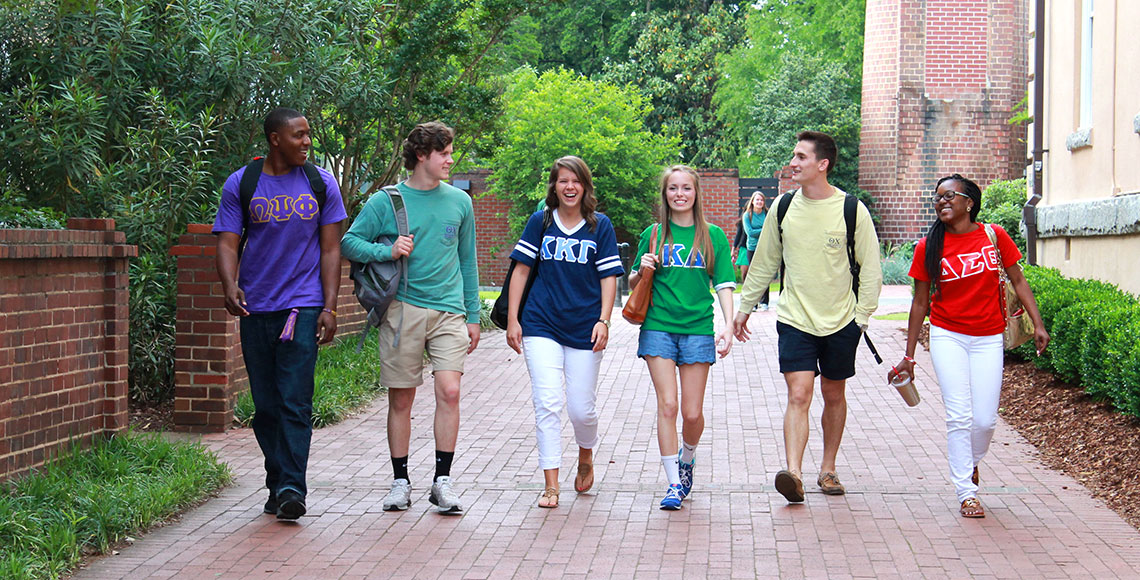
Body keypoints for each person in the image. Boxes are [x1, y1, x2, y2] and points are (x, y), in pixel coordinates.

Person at [733, 131, 882, 503]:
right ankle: (794, 474)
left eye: (801, 157)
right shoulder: (783, 208)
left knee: (833, 393)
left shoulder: (852, 210)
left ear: (822, 164)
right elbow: (764, 261)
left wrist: (861, 318)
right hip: (795, 318)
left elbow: (871, 268)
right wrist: (745, 307)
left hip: (841, 320)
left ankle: (828, 468)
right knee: (799, 393)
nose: (793, 163)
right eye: (794, 156)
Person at [213, 107, 347, 520]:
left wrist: (329, 306)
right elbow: (228, 242)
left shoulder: (321, 183)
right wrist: (229, 284)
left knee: (295, 400)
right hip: (256, 308)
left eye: (308, 134)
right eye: (298, 135)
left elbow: (331, 249)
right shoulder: (242, 183)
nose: (306, 142)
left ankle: (291, 487)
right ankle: (277, 482)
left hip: (302, 306)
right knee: (266, 406)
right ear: (275, 139)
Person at [341, 121, 481, 515]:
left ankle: (442, 481)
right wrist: (386, 252)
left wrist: (473, 315)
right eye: (444, 153)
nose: (450, 160)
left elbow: (467, 261)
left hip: (449, 310)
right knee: (401, 397)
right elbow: (349, 241)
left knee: (450, 391)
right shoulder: (386, 201)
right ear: (421, 155)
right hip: (403, 309)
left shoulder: (460, 202)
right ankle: (400, 481)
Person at [892, 174, 1049, 518]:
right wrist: (909, 356)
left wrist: (1038, 324)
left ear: (969, 203)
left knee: (986, 421)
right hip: (948, 335)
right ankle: (967, 492)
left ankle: (971, 461)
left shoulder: (994, 236)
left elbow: (1018, 279)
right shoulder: (927, 247)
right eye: (937, 197)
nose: (942, 202)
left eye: (949, 196)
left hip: (989, 337)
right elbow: (920, 302)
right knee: (960, 416)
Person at [505, 156, 624, 508]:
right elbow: (521, 271)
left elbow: (608, 277)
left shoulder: (599, 226)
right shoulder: (540, 222)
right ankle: (551, 485)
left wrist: (604, 320)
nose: (569, 187)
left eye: (576, 181)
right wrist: (513, 319)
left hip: (585, 327)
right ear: (554, 187)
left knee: (581, 410)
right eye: (563, 181)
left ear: (585, 186)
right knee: (547, 402)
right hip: (541, 322)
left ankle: (585, 452)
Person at [629, 165, 736, 510]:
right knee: (668, 406)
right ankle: (674, 483)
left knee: (691, 414)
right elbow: (632, 283)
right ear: (665, 194)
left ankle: (687, 457)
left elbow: (724, 284)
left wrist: (728, 325)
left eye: (686, 188)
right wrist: (643, 267)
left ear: (696, 193)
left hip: (697, 329)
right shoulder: (654, 234)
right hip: (658, 326)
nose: (679, 194)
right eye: (673, 188)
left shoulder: (713, 236)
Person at [741, 192, 770, 310]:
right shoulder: (747, 215)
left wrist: (760, 230)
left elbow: (771, 229)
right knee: (753, 275)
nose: (759, 202)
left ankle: (764, 302)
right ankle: (753, 303)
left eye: (761, 200)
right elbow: (750, 232)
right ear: (752, 201)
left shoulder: (767, 214)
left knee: (764, 274)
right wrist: (764, 229)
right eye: (757, 200)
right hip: (752, 248)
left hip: (765, 247)